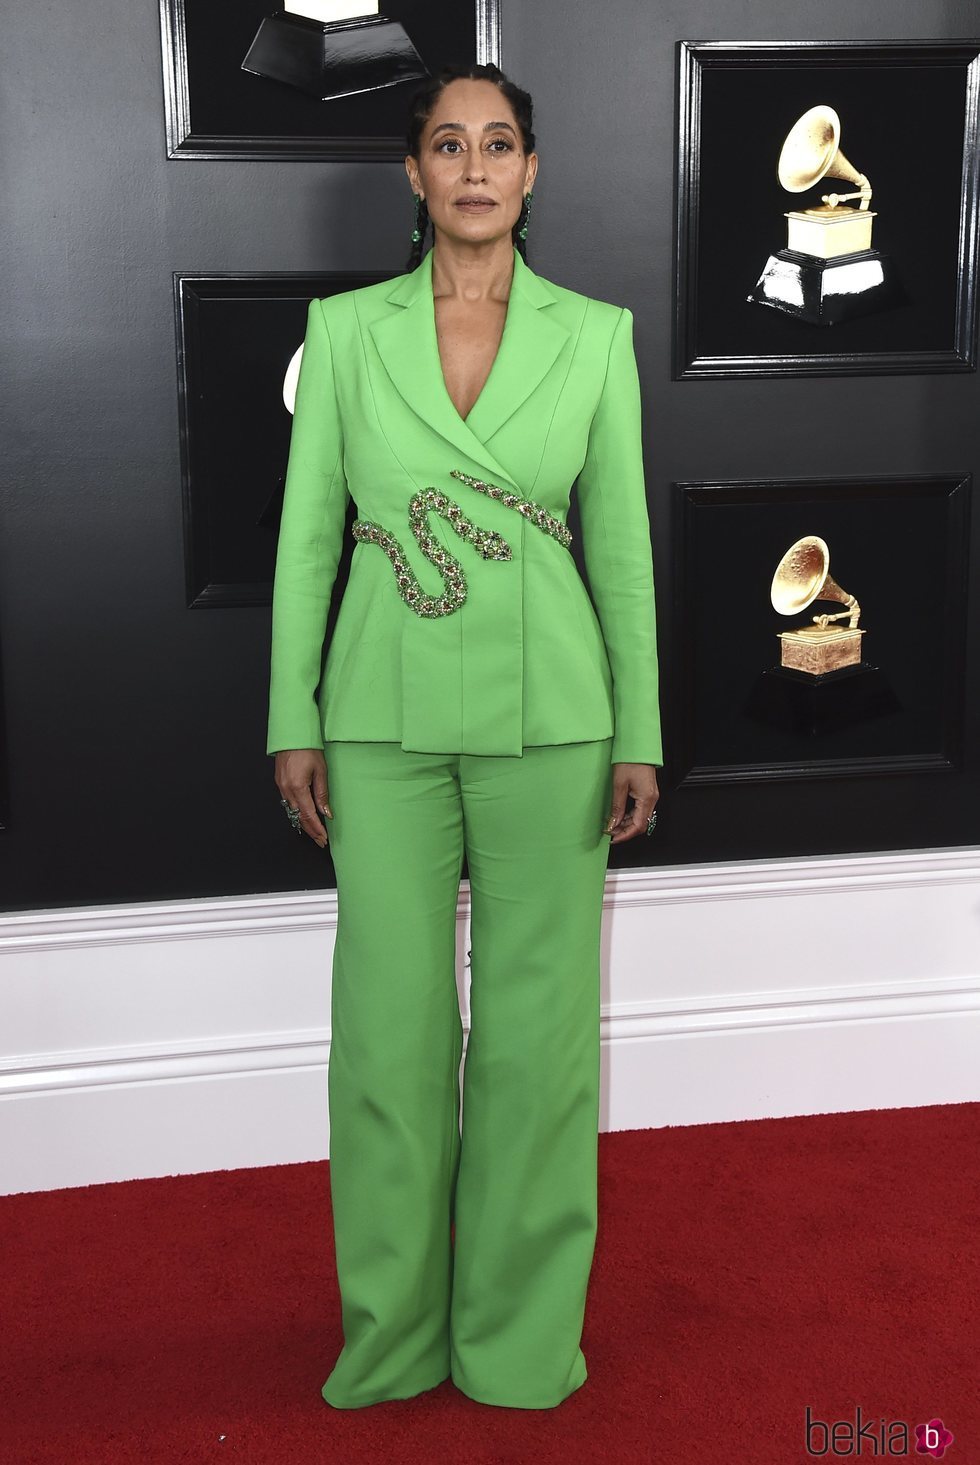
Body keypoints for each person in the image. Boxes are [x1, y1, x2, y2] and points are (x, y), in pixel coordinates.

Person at [268, 61, 663, 1411]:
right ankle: (387, 1337)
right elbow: (308, 541)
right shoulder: (347, 333)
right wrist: (292, 718)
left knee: (538, 1045)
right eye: (449, 144)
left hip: (552, 720)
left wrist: (640, 733)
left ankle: (516, 1344)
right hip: (376, 719)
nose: (476, 167)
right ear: (415, 173)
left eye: (500, 143)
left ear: (533, 171)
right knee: (386, 1037)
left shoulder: (595, 336)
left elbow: (621, 550)